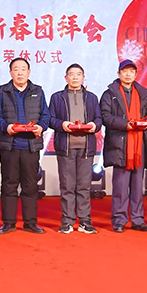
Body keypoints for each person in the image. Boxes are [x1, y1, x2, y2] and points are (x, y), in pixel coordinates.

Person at [0, 57, 50, 234]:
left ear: (29, 72)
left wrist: (41, 127)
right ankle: (8, 223)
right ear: (11, 73)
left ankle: (30, 222)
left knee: (30, 186)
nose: (20, 73)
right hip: (10, 146)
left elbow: (45, 115)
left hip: (31, 146)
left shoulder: (38, 91)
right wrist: (6, 127)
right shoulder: (2, 91)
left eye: (23, 69)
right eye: (16, 69)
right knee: (9, 185)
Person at [100, 60, 147, 233]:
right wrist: (126, 124)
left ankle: (138, 219)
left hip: (139, 145)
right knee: (120, 186)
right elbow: (105, 116)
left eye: (131, 71)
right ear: (118, 74)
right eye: (124, 71)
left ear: (136, 74)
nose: (128, 74)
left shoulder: (143, 94)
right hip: (120, 144)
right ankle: (119, 220)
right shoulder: (110, 94)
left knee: (138, 186)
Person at [48, 63, 102, 234]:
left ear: (83, 77)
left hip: (86, 147)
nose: (75, 77)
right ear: (66, 78)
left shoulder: (92, 98)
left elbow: (99, 118)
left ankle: (85, 221)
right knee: (67, 186)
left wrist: (94, 125)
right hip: (66, 147)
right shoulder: (57, 97)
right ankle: (67, 221)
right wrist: (62, 124)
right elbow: (50, 119)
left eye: (78, 74)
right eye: (71, 74)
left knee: (84, 186)